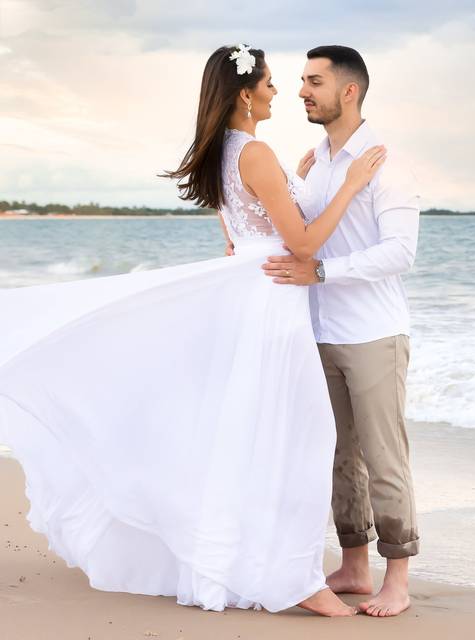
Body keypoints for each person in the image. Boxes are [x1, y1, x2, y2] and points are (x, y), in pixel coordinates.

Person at [0, 44, 385, 617]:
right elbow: (302, 244)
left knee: (262, 434)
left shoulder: (225, 151)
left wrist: (296, 179)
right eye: (273, 83)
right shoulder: (253, 151)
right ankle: (293, 577)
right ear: (246, 94)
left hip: (259, 296)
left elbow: (239, 234)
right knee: (288, 437)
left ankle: (272, 565)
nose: (281, 92)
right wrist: (351, 185)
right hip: (273, 303)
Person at [259, 45, 420, 617]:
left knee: (383, 457)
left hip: (374, 332)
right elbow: (302, 231)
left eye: (314, 81)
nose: (302, 91)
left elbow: (401, 252)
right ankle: (355, 565)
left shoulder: (384, 162)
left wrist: (324, 271)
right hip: (317, 329)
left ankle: (396, 577)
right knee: (336, 456)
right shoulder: (318, 162)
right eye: (301, 81)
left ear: (348, 91)